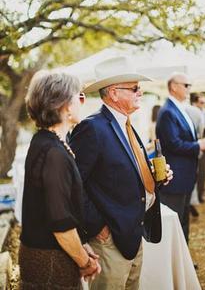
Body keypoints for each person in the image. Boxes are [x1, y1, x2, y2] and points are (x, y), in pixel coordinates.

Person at [70, 57, 171, 289]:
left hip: (134, 233)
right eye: (135, 88)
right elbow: (73, 184)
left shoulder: (126, 124)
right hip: (109, 240)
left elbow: (127, 173)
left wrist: (158, 178)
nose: (140, 92)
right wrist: (98, 228)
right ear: (114, 93)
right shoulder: (92, 128)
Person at [20, 71, 101, 289]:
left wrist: (82, 245)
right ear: (64, 104)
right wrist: (85, 262)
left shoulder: (46, 142)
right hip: (50, 264)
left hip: (50, 257)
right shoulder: (52, 152)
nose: (82, 102)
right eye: (79, 96)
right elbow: (61, 224)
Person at [156, 72, 205, 243]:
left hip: (186, 175)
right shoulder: (167, 111)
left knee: (183, 220)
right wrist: (199, 145)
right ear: (173, 87)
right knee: (174, 223)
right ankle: (174, 265)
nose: (189, 89)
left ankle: (183, 262)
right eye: (186, 85)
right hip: (175, 177)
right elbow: (172, 144)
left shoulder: (180, 108)